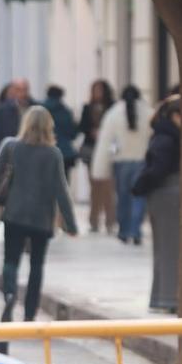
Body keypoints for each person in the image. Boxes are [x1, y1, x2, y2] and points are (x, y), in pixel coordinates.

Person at [0, 106, 78, 322]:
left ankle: (10, 295)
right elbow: (61, 190)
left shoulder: (11, 146)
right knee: (37, 265)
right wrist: (71, 224)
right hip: (42, 218)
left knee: (11, 260)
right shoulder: (53, 154)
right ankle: (29, 314)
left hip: (15, 214)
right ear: (49, 127)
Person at [131, 98, 182, 313]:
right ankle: (168, 299)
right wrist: (141, 185)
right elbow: (157, 169)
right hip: (166, 196)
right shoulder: (167, 137)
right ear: (174, 115)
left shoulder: (166, 135)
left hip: (166, 195)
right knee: (168, 249)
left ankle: (163, 297)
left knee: (166, 249)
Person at [92, 84, 153, 245]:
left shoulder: (113, 114)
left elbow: (106, 142)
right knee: (139, 198)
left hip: (121, 163)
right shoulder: (149, 112)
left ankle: (124, 230)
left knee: (122, 197)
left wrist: (100, 168)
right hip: (142, 161)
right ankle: (136, 230)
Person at [79, 80, 116, 233]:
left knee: (108, 187)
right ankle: (94, 221)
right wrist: (92, 131)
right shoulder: (87, 108)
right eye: (95, 90)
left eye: (100, 90)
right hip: (91, 150)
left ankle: (110, 221)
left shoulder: (112, 108)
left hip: (108, 151)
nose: (97, 93)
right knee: (94, 187)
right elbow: (81, 126)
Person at [0, 78, 33, 163]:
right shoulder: (2, 110)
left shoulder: (36, 109)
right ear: (14, 91)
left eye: (25, 90)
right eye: (19, 90)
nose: (22, 94)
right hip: (10, 158)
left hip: (32, 157)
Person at [41, 85, 78, 179]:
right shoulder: (65, 112)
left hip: (44, 152)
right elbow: (72, 134)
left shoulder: (39, 111)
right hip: (64, 153)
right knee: (63, 183)